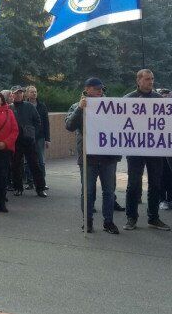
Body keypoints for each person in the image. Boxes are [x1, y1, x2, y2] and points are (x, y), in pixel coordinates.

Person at [65, 78, 121, 234]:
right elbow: (69, 125)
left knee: (109, 192)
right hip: (88, 157)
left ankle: (108, 222)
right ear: (87, 89)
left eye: (101, 89)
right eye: (96, 89)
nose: (100, 91)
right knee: (88, 192)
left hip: (108, 157)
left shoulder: (111, 106)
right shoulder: (77, 106)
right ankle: (87, 222)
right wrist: (80, 109)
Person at [123, 69, 170, 231]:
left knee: (155, 184)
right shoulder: (128, 99)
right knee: (133, 184)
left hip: (155, 150)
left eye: (152, 79)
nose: (151, 82)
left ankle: (153, 218)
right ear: (139, 81)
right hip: (135, 149)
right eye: (148, 79)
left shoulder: (159, 99)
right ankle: (131, 218)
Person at [9, 86, 47, 197]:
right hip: (15, 141)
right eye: (16, 93)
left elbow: (38, 121)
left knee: (35, 165)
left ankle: (40, 188)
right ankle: (18, 188)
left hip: (29, 141)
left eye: (20, 93)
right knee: (16, 166)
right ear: (12, 95)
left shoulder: (29, 106)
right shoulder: (9, 108)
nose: (18, 95)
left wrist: (32, 133)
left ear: (23, 94)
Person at [24, 86, 50, 190]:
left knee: (41, 160)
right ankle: (30, 182)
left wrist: (47, 139)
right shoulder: (24, 105)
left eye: (35, 92)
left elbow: (46, 123)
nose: (34, 94)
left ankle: (42, 182)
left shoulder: (42, 106)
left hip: (40, 137)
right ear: (27, 94)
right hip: (27, 137)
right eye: (31, 92)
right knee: (28, 161)